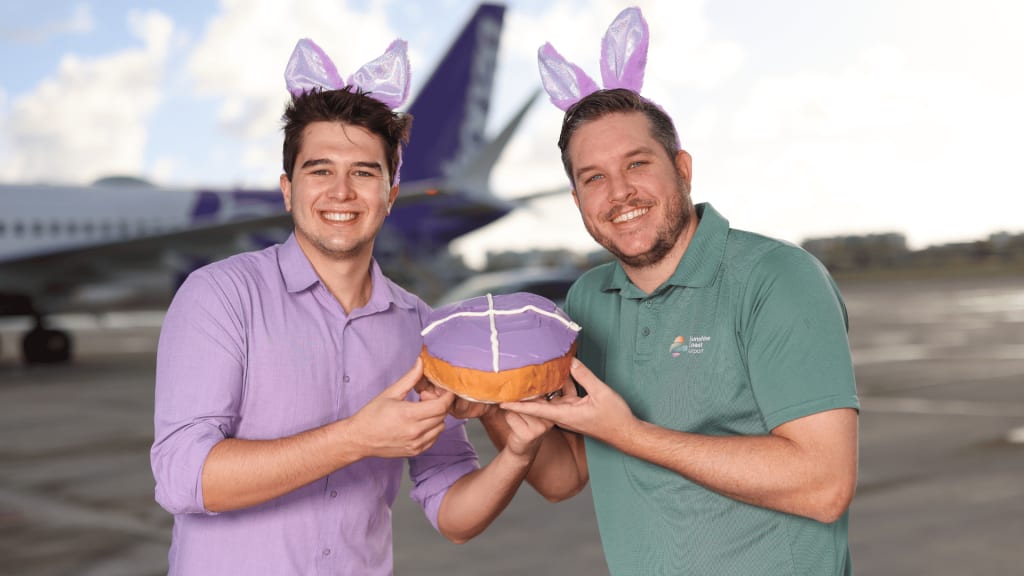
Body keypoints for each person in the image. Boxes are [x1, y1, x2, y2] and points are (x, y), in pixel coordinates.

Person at [150, 38, 551, 576]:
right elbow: (182, 477)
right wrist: (356, 438)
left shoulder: (422, 327)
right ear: (288, 190)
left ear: (390, 194)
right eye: (319, 171)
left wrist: (517, 456)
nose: (341, 191)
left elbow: (453, 512)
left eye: (364, 172)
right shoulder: (220, 296)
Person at [481, 8, 861, 576]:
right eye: (594, 178)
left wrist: (633, 434)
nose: (620, 193)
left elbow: (824, 485)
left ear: (682, 168)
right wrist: (489, 400)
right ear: (577, 198)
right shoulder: (586, 300)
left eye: (638, 164)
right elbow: (566, 477)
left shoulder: (778, 278)